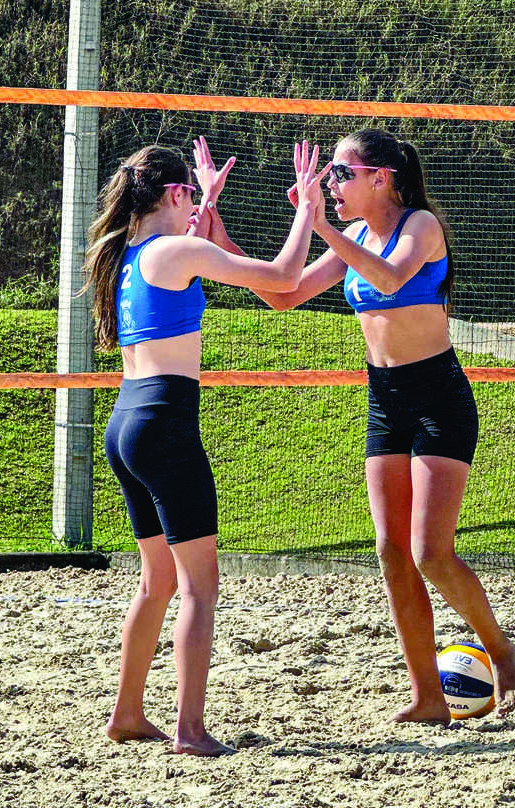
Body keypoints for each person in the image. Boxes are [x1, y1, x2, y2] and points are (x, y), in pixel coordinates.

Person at [252, 128, 515, 722]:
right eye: (329, 175)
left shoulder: (421, 226)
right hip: (385, 399)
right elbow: (283, 295)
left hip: (437, 396)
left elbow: (389, 279)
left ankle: (501, 653)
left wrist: (320, 224)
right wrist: (216, 232)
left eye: (341, 174)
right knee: (391, 551)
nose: (331, 184)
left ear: (381, 178)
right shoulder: (353, 233)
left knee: (431, 551)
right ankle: (428, 696)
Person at [83, 137, 330, 756]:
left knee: (156, 583)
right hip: (165, 423)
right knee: (199, 586)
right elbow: (282, 278)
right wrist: (308, 212)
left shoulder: (128, 253)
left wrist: (207, 201)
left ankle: (128, 714)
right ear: (174, 194)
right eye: (189, 191)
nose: (195, 200)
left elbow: (197, 245)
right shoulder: (176, 250)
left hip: (127, 421)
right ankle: (190, 730)